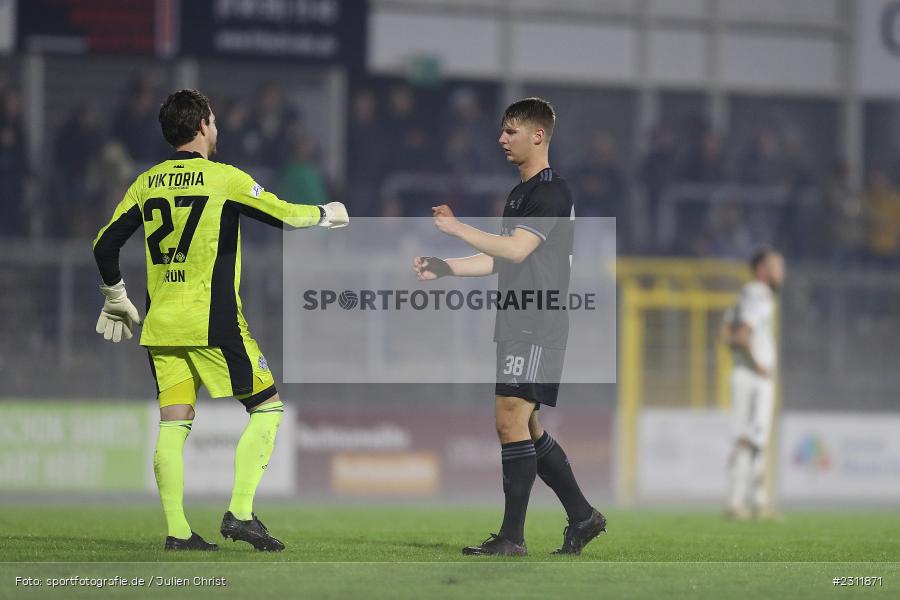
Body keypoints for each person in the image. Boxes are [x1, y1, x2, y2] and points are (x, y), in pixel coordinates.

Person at [92, 90, 348, 551]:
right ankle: (241, 513)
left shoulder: (146, 182)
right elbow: (285, 215)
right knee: (267, 409)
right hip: (213, 322)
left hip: (161, 325)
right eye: (213, 120)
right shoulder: (223, 179)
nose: (217, 128)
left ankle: (178, 532)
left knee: (173, 422)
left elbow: (104, 245)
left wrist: (115, 294)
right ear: (203, 126)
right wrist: (326, 214)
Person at [413, 98, 605, 556]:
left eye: (510, 130)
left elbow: (516, 250)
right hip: (519, 316)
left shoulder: (552, 191)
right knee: (528, 424)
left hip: (538, 318)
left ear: (538, 136)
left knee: (509, 419)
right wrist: (447, 268)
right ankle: (583, 517)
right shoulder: (520, 193)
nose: (501, 138)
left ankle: (511, 539)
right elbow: (502, 257)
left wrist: (458, 229)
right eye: (502, 130)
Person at [720, 247, 785, 520]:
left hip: (740, 375)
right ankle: (756, 501)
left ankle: (738, 501)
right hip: (756, 378)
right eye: (777, 266)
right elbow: (742, 335)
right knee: (756, 439)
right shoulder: (761, 295)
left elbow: (725, 333)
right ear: (762, 270)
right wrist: (759, 365)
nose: (782, 273)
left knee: (744, 438)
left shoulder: (743, 295)